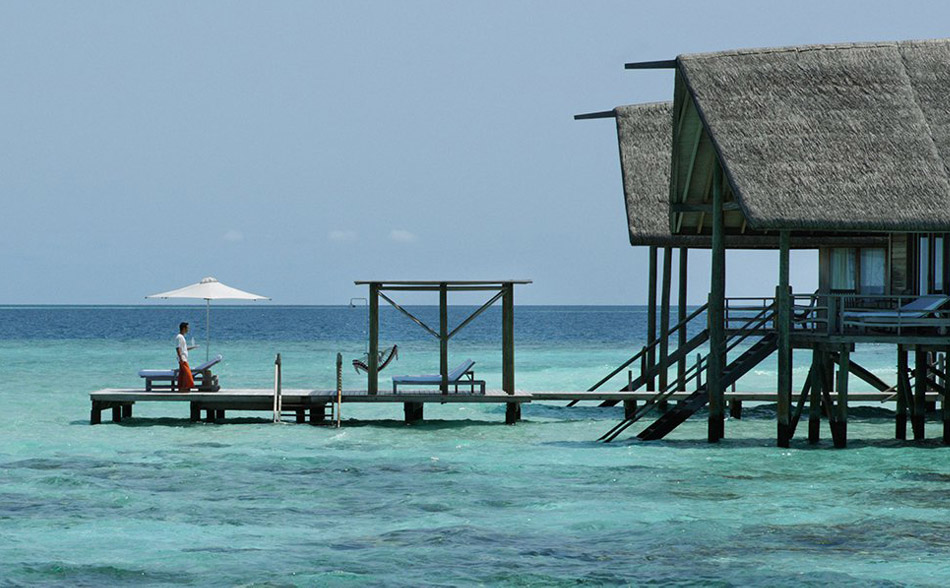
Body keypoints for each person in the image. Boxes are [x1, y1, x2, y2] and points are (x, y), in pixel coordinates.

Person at [175, 322, 197, 392]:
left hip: (184, 358)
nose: (188, 329)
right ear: (184, 328)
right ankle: (186, 387)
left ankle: (181, 388)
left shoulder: (182, 337)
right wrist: (181, 358)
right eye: (187, 328)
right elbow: (177, 348)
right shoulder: (179, 337)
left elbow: (184, 348)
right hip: (182, 359)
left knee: (182, 374)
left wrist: (193, 347)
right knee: (188, 374)